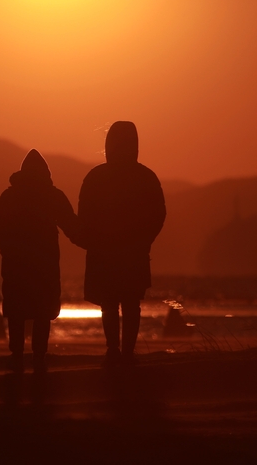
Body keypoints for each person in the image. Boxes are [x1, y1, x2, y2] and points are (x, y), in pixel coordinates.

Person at [76, 122, 165, 367]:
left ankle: (114, 350)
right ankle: (125, 351)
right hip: (132, 252)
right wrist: (144, 240)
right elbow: (159, 215)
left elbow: (84, 215)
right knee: (129, 304)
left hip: (107, 253)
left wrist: (92, 239)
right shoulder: (146, 177)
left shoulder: (96, 177)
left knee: (111, 303)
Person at [0, 149, 78, 373]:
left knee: (18, 312)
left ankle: (17, 356)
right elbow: (72, 227)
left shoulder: (9, 196)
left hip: (16, 265)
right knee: (42, 312)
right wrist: (96, 240)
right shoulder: (52, 195)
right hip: (44, 266)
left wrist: (7, 250)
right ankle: (39, 357)